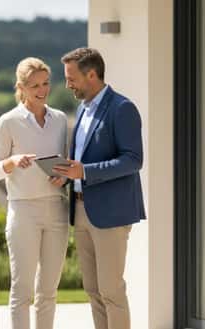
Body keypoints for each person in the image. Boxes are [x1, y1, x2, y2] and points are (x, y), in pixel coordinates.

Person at [53, 47, 146, 329]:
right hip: (80, 209)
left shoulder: (122, 108)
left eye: (72, 78)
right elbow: (83, 158)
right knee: (93, 290)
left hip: (111, 213)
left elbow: (133, 160)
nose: (67, 84)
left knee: (111, 291)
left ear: (91, 74)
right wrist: (68, 175)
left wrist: (86, 171)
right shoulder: (82, 108)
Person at [0, 57, 70, 329]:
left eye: (46, 83)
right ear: (21, 87)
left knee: (48, 290)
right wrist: (12, 162)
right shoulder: (8, 121)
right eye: (35, 85)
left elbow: (67, 163)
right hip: (23, 211)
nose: (42, 90)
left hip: (56, 209)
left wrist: (63, 177)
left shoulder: (59, 120)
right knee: (21, 290)